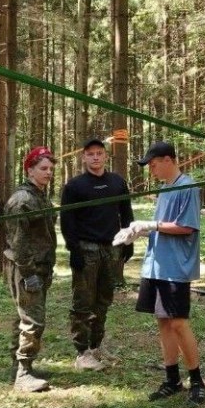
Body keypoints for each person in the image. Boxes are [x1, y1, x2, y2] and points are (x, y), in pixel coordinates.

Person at [115, 141, 205, 405]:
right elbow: (162, 227)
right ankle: (172, 379)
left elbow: (186, 227)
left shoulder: (187, 186)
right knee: (163, 322)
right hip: (156, 265)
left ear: (169, 160)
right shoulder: (165, 189)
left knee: (178, 322)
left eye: (154, 165)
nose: (152, 170)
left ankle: (197, 380)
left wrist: (151, 224)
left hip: (175, 268)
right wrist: (138, 231)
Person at [59, 136, 135, 371]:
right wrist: (74, 249)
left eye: (99, 153)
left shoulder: (117, 182)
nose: (95, 157)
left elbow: (126, 211)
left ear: (105, 156)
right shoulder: (75, 186)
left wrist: (129, 241)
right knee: (83, 301)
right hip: (86, 249)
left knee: (103, 300)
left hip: (112, 248)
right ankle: (81, 352)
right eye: (90, 154)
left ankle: (96, 346)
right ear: (84, 158)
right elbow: (67, 220)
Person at [4, 146, 58, 392]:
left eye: (50, 169)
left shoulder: (40, 195)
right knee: (33, 321)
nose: (49, 173)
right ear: (30, 170)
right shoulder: (22, 200)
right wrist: (28, 274)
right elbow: (18, 241)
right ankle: (23, 373)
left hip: (40, 266)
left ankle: (18, 366)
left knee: (25, 316)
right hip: (27, 268)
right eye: (43, 168)